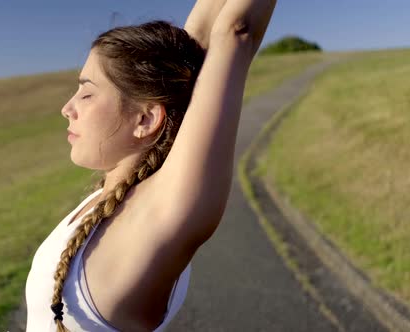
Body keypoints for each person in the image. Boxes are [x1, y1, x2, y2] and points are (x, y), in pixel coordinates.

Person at [25, 0, 276, 331]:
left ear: (145, 118)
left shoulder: (156, 217)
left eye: (86, 94)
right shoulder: (111, 199)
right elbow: (194, 44)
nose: (66, 108)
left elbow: (235, 31)